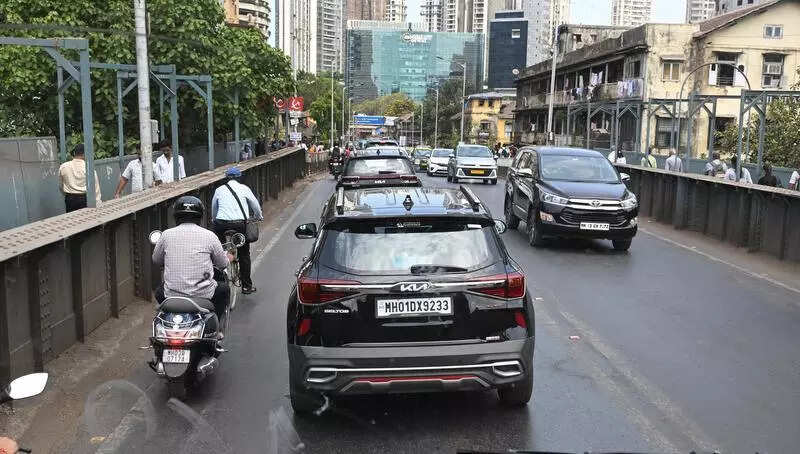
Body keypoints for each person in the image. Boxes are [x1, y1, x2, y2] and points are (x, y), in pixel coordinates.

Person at [152, 196, 230, 327]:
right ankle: (217, 328)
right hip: (203, 295)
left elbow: (156, 260)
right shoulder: (210, 236)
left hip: (172, 295)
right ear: (200, 217)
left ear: (176, 216)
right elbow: (222, 264)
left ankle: (167, 320)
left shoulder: (166, 235)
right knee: (224, 289)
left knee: (159, 291)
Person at [211, 168, 263, 294]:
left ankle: (217, 283)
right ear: (239, 177)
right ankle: (246, 286)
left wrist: (214, 219)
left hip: (221, 224)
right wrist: (258, 216)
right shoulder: (244, 188)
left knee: (220, 251)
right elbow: (255, 205)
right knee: (244, 254)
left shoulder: (219, 190)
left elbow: (214, 207)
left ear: (226, 178)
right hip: (240, 225)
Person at [59, 144, 102, 212]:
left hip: (70, 199)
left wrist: (67, 193)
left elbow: (60, 185)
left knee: (71, 220)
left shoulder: (64, 166)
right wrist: (98, 203)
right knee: (86, 220)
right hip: (85, 199)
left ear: (74, 153)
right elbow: (96, 188)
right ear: (85, 153)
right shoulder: (89, 168)